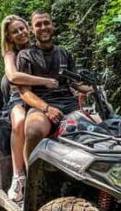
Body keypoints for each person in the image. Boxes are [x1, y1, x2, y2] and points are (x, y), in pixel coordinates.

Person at [16, 10, 91, 163]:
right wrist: (47, 109)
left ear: (53, 26)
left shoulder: (64, 53)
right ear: (32, 29)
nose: (43, 27)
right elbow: (25, 92)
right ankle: (30, 177)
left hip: (69, 105)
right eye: (38, 25)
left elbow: (74, 83)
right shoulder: (25, 55)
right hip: (40, 106)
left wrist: (91, 89)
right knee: (34, 131)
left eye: (46, 23)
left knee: (94, 127)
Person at [0, 15, 59, 202]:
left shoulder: (39, 49)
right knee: (20, 122)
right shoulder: (11, 54)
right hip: (19, 98)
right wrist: (44, 81)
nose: (20, 33)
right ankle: (19, 177)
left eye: (22, 28)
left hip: (40, 96)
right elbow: (13, 76)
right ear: (9, 37)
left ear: (29, 29)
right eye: (15, 31)